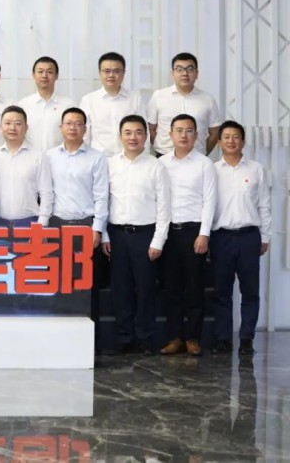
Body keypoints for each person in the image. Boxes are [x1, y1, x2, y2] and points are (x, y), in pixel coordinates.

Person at [102, 115, 170, 355]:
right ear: (120, 136)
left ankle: (145, 338)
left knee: (146, 289)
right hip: (116, 235)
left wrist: (158, 240)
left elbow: (164, 207)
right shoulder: (109, 164)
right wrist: (104, 236)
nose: (133, 137)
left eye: (139, 132)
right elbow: (103, 201)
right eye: (128, 132)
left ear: (146, 136)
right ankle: (125, 337)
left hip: (145, 235)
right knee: (120, 289)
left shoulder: (156, 166)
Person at [43, 108, 108, 344]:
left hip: (85, 227)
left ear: (85, 129)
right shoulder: (49, 156)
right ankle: (61, 341)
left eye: (78, 124)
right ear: (61, 128)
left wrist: (97, 229)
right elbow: (46, 194)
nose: (73, 128)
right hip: (57, 227)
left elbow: (102, 196)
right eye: (68, 123)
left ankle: (90, 342)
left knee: (88, 287)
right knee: (59, 284)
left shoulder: (96, 157)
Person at [210, 120, 271, 356]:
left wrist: (265, 236)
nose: (231, 141)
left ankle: (247, 339)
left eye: (236, 136)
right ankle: (223, 339)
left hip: (249, 237)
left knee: (250, 291)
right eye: (226, 137)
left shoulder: (256, 169)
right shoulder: (212, 170)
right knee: (222, 291)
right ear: (219, 142)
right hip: (220, 237)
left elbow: (264, 204)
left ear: (243, 141)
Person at [158, 114, 217, 356]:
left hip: (194, 232)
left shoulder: (204, 164)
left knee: (194, 287)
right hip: (168, 232)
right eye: (179, 130)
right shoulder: (161, 163)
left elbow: (210, 200)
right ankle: (175, 337)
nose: (184, 135)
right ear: (170, 134)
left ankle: (193, 338)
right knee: (171, 288)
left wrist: (204, 234)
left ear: (197, 135)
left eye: (189, 130)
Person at [147, 52, 222, 156]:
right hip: (164, 156)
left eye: (190, 69)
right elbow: (151, 129)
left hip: (196, 157)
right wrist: (160, 148)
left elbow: (214, 133)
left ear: (197, 73)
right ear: (172, 73)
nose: (185, 73)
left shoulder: (208, 99)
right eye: (179, 69)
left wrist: (203, 153)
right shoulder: (158, 96)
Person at [0, 105, 51, 233]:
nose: (12, 128)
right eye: (8, 123)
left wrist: (41, 225)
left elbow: (46, 193)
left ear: (26, 128)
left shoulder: (38, 156)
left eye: (18, 123)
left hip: (29, 223)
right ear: (0, 127)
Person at [80, 52, 146, 157]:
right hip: (99, 158)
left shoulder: (135, 98)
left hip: (129, 158)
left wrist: (143, 157)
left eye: (116, 71)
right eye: (107, 71)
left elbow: (144, 131)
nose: (111, 75)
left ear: (123, 73)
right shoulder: (88, 100)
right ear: (99, 73)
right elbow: (84, 135)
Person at [16, 56, 77, 152]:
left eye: (49, 72)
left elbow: (75, 135)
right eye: (40, 72)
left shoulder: (68, 105)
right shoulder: (23, 105)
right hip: (30, 157)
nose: (44, 75)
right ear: (33, 75)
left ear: (56, 76)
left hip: (61, 157)